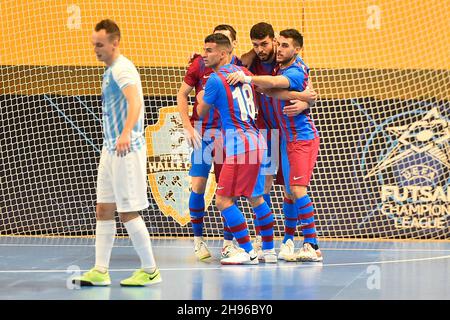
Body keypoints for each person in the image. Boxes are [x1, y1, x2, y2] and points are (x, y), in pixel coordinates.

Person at [73, 19, 161, 287]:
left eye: (99, 45)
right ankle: (100, 270)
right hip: (110, 150)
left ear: (115, 43)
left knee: (127, 212)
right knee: (103, 208)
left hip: (127, 149)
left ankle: (150, 270)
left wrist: (125, 134)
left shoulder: (123, 69)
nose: (96, 50)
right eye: (93, 45)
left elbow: (135, 101)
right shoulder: (110, 70)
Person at [227, 28, 323, 262]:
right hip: (267, 133)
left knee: (293, 190)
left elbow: (275, 85)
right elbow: (233, 61)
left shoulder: (291, 68)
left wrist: (305, 99)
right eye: (278, 45)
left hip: (295, 135)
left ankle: (295, 241)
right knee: (264, 185)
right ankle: (264, 239)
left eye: (273, 45)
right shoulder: (257, 60)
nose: (271, 49)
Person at [197, 33, 276, 264]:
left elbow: (201, 112)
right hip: (257, 141)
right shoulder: (246, 74)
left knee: (223, 201)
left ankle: (248, 251)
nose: (204, 54)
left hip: (239, 145)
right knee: (256, 197)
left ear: (223, 53)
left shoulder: (213, 79)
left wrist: (201, 96)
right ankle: (269, 251)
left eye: (209, 50)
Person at [177, 25, 245, 261]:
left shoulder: (240, 68)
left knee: (228, 192)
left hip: (228, 136)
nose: (209, 52)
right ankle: (198, 241)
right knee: (198, 185)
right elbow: (182, 94)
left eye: (223, 41)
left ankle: (228, 243)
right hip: (203, 134)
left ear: (229, 47)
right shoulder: (199, 64)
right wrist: (187, 125)